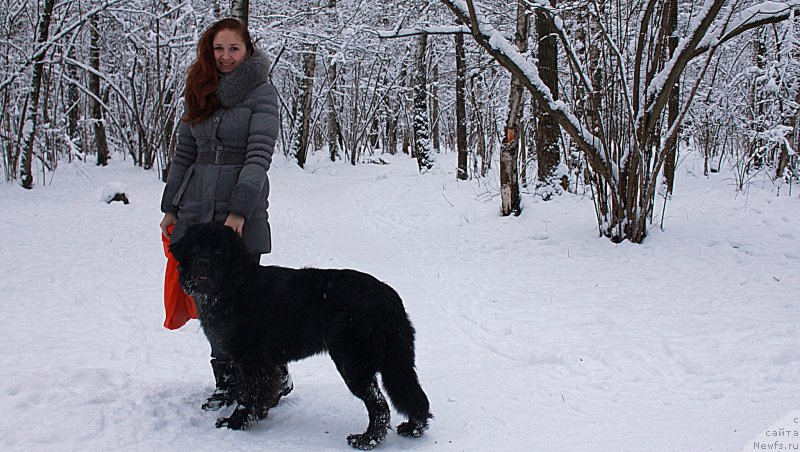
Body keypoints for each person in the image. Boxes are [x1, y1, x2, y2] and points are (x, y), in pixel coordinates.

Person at [159, 17, 291, 411]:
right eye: (219, 49)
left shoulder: (262, 93)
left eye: (234, 48)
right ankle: (228, 381)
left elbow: (258, 155)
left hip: (240, 206)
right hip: (196, 208)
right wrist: (170, 206)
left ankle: (271, 375)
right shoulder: (200, 89)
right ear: (209, 51)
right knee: (207, 302)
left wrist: (239, 211)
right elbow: (184, 152)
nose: (226, 56)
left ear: (247, 50)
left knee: (245, 303)